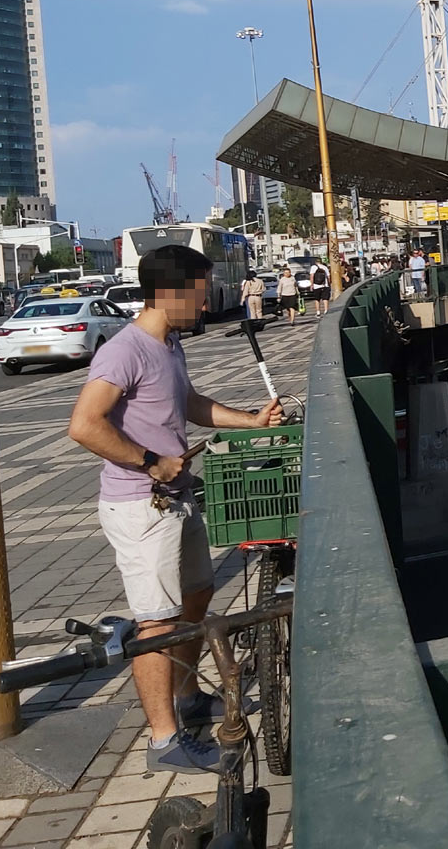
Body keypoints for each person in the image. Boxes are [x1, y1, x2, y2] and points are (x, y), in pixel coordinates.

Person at [67, 244, 283, 773]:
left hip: (176, 499)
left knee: (196, 596)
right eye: (202, 293)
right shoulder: (125, 350)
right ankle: (164, 741)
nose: (206, 305)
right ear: (171, 292)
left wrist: (250, 420)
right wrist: (149, 462)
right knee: (156, 622)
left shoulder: (170, 346)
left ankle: (187, 701)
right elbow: (84, 424)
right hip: (141, 506)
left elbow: (187, 404)